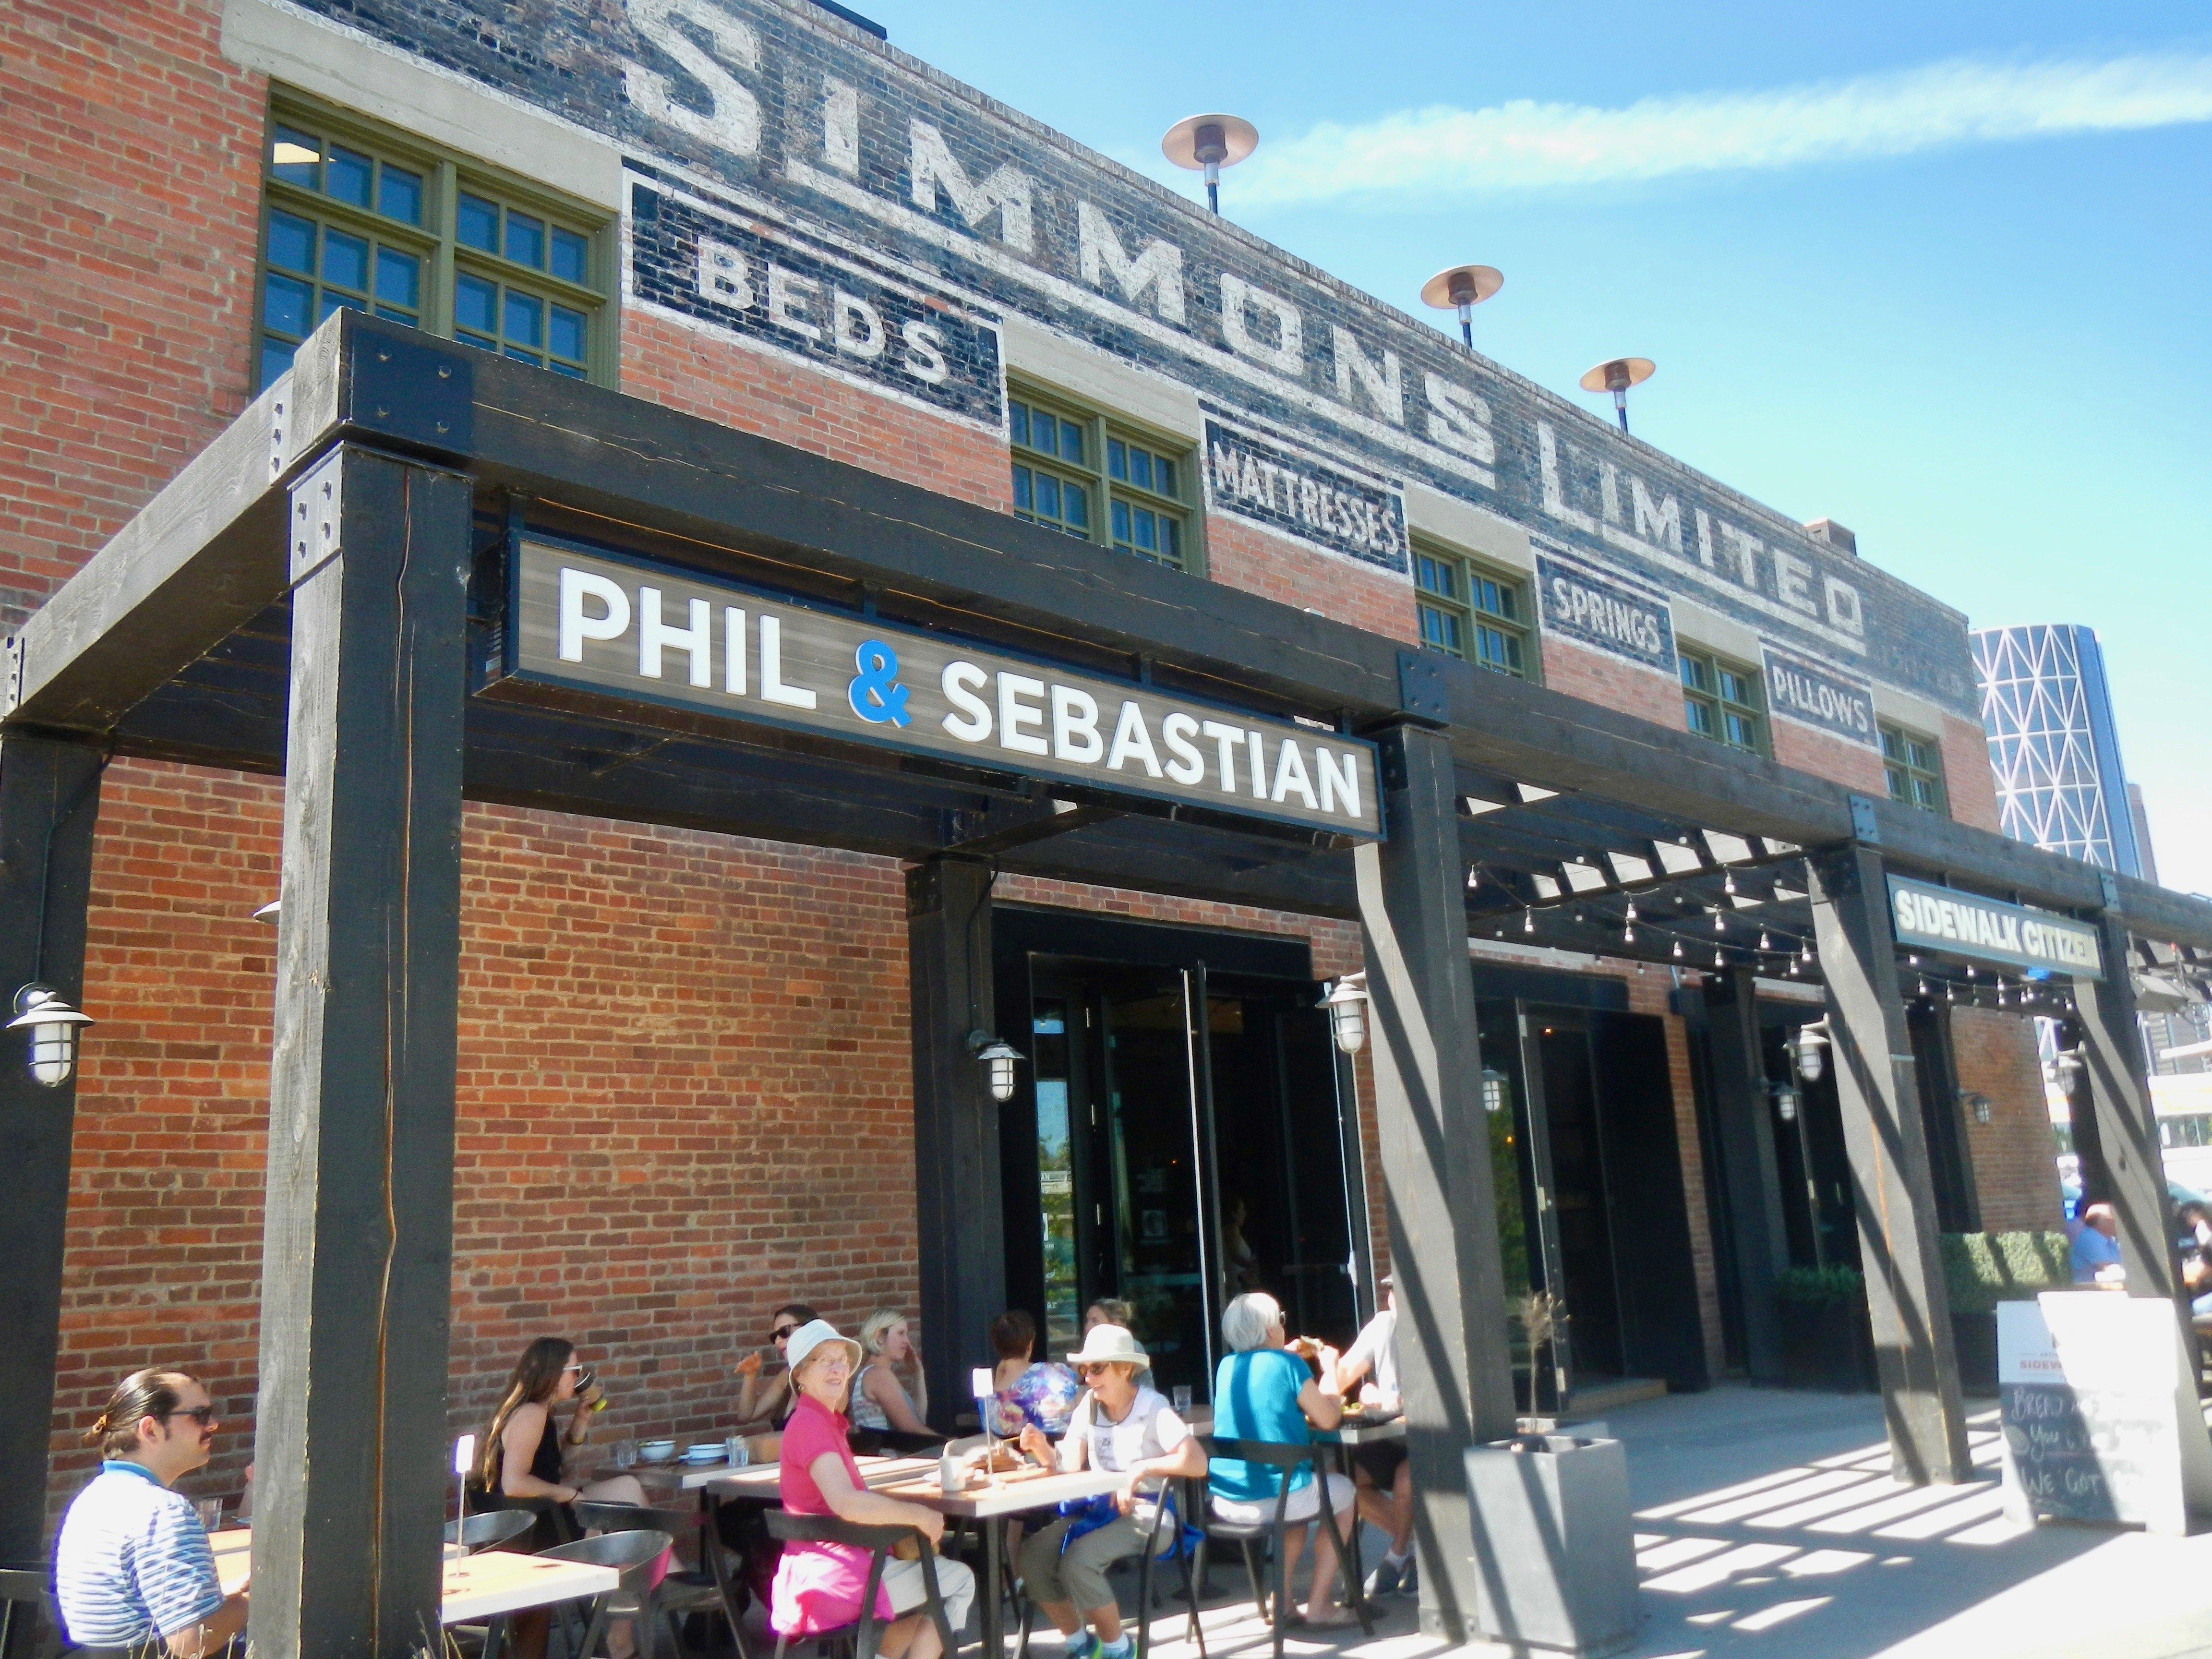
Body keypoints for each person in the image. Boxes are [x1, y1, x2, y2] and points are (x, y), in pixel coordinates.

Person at [773, 1320, 976, 1659]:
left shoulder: (820, 1421)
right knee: (960, 1580)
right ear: (801, 1376)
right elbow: (847, 1503)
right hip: (835, 1580)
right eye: (826, 1361)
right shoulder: (811, 1425)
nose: (839, 1370)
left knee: (928, 1598)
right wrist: (918, 1515)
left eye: (842, 1360)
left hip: (822, 1572)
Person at [1014, 1326, 1207, 1659]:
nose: (1088, 1378)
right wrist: (1042, 1450)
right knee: (1031, 1555)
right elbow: (1071, 1464)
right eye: (1084, 1369)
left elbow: (1198, 1462)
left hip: (1149, 1514)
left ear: (1126, 1369)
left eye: (1098, 1368)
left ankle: (1119, 1650)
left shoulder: (1152, 1406)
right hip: (1099, 1510)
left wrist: (1143, 1468)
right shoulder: (1089, 1404)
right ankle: (1081, 1644)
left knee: (1079, 1561)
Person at [56, 1369, 248, 1659]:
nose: (214, 1425)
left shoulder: (95, 1498)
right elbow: (193, 1643)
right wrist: (258, 1599)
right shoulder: (162, 1511)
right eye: (200, 1415)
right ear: (151, 1430)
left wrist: (221, 1597)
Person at [474, 1339, 649, 1659]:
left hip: (538, 1518)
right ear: (554, 1374)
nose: (579, 1377)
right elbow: (515, 1483)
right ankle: (623, 1632)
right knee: (631, 1534)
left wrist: (582, 1421)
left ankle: (624, 1623)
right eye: (574, 1370)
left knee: (628, 1490)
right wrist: (569, 1495)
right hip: (536, 1529)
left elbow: (561, 1468)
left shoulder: (541, 1412)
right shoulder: (530, 1414)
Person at [1210, 1292, 1358, 1628]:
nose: (1282, 1326)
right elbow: (1328, 1418)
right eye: (1280, 1320)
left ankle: (1283, 1601)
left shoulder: (1226, 1366)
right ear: (1268, 1328)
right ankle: (1320, 1605)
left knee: (1299, 1504)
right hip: (1277, 1501)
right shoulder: (1288, 1365)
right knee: (1344, 1493)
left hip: (1226, 1501)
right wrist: (1330, 1368)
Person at [1334, 1276, 1414, 1598]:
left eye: (1401, 1290)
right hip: (1392, 1437)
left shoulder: (1435, 1330)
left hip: (1434, 1438)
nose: (1393, 1298)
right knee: (1341, 1481)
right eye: (1391, 1290)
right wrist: (1324, 1385)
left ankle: (1395, 1557)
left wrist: (1384, 1400)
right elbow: (1344, 1373)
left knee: (1405, 1478)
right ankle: (1418, 1550)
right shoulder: (1384, 1325)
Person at [988, 1310, 1080, 1439]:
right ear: (1030, 1344)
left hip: (1012, 1452)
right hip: (1059, 1447)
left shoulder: (988, 1398)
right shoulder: (1056, 1372)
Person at [851, 1310, 934, 1437]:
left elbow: (918, 1420)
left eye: (907, 1334)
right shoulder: (879, 1375)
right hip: (891, 1454)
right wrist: (950, 1444)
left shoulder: (872, 1374)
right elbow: (910, 1429)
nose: (907, 1341)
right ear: (879, 1337)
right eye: (901, 1334)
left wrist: (918, 1374)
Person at [735, 1302, 817, 1429]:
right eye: (774, 1337)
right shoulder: (788, 1374)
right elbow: (747, 1416)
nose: (778, 1341)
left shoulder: (827, 1373)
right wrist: (750, 1374)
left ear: (808, 1329)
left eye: (785, 1332)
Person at [2070, 1202, 2124, 1285]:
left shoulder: (2111, 1239)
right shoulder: (2089, 1238)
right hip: (2087, 1291)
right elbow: (2108, 1268)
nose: (2120, 1222)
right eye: (2114, 1218)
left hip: (2107, 1287)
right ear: (2102, 1222)